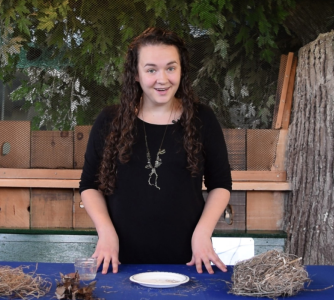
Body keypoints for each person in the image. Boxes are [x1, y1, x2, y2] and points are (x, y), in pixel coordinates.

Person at [79, 27, 232, 275]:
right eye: (151, 70)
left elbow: (221, 184)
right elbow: (89, 185)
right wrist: (106, 234)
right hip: (119, 260)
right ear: (136, 74)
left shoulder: (202, 118)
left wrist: (203, 234)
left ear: (181, 71)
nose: (162, 79)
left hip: (190, 259)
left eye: (171, 68)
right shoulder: (110, 120)